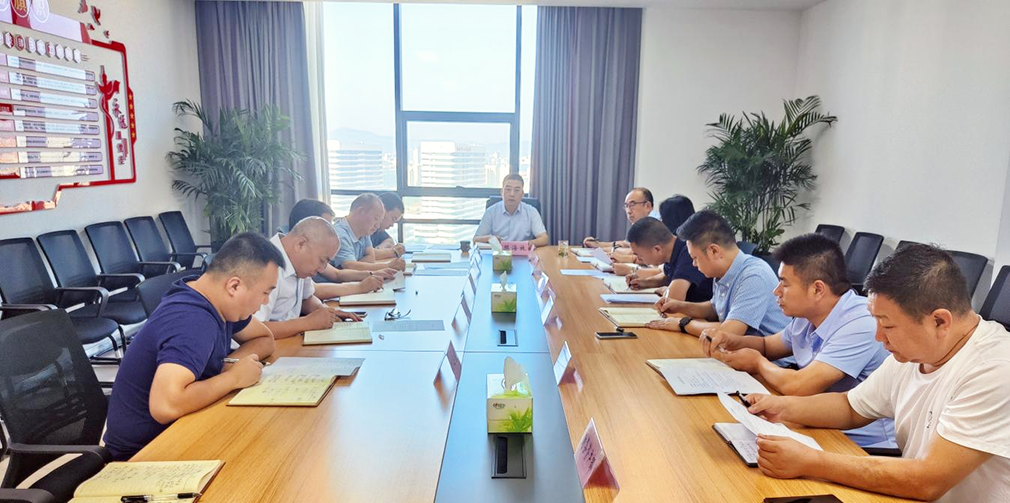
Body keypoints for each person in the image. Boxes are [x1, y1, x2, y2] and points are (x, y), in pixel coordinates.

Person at [745, 244, 1010, 502]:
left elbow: (929, 480)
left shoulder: (994, 368)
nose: (878, 337)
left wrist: (811, 461)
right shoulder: (913, 354)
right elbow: (851, 407)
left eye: (888, 325)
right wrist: (782, 408)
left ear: (939, 321)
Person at [701, 233, 895, 448]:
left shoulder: (860, 322)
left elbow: (800, 386)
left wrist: (757, 363)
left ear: (817, 289)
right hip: (818, 423)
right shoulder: (808, 314)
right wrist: (730, 340)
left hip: (860, 444)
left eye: (784, 284)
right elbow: (767, 346)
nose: (776, 291)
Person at [103, 233, 280, 460]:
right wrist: (233, 378)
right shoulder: (193, 320)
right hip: (144, 453)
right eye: (265, 292)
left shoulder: (213, 297)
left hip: (182, 427)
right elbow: (165, 405)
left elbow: (264, 339)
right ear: (234, 286)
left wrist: (229, 364)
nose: (265, 302)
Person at [647, 210, 788, 338]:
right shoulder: (723, 271)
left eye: (695, 258)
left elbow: (729, 331)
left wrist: (683, 324)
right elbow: (714, 309)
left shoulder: (754, 276)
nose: (694, 264)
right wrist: (679, 306)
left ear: (714, 251)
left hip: (766, 357)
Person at [255, 217, 364, 340]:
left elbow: (306, 298)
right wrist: (307, 323)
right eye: (322, 260)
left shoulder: (299, 263)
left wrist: (326, 312)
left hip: (290, 340)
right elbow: (254, 329)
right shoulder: (264, 266)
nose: (322, 269)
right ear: (301, 244)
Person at [286, 198, 392, 290]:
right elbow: (316, 291)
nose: (332, 232)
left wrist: (373, 274)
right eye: (326, 228)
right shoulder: (285, 265)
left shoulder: (307, 256)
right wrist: (361, 287)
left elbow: (337, 274)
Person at [625, 217, 712, 303]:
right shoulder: (673, 245)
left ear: (657, 249)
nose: (639, 259)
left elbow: (672, 300)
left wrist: (667, 291)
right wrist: (644, 282)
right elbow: (669, 276)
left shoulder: (688, 253)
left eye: (640, 255)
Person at [331, 193, 406, 273]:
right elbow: (350, 267)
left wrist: (357, 265)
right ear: (361, 211)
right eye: (376, 219)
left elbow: (371, 257)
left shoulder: (364, 230)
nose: (377, 226)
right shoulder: (339, 234)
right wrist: (388, 266)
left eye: (380, 221)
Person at [474, 174, 548, 247]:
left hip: (523, 252)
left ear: (522, 194)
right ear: (502, 192)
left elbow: (544, 238)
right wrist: (490, 238)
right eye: (508, 189)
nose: (512, 194)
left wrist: (528, 243)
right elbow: (475, 240)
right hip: (498, 253)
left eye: (516, 190)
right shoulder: (491, 212)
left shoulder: (531, 211)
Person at [583, 187, 660, 251]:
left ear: (647, 206)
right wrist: (598, 244)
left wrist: (599, 250)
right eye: (626, 206)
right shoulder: (639, 223)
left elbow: (637, 253)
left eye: (632, 204)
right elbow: (627, 244)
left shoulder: (655, 225)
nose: (628, 211)